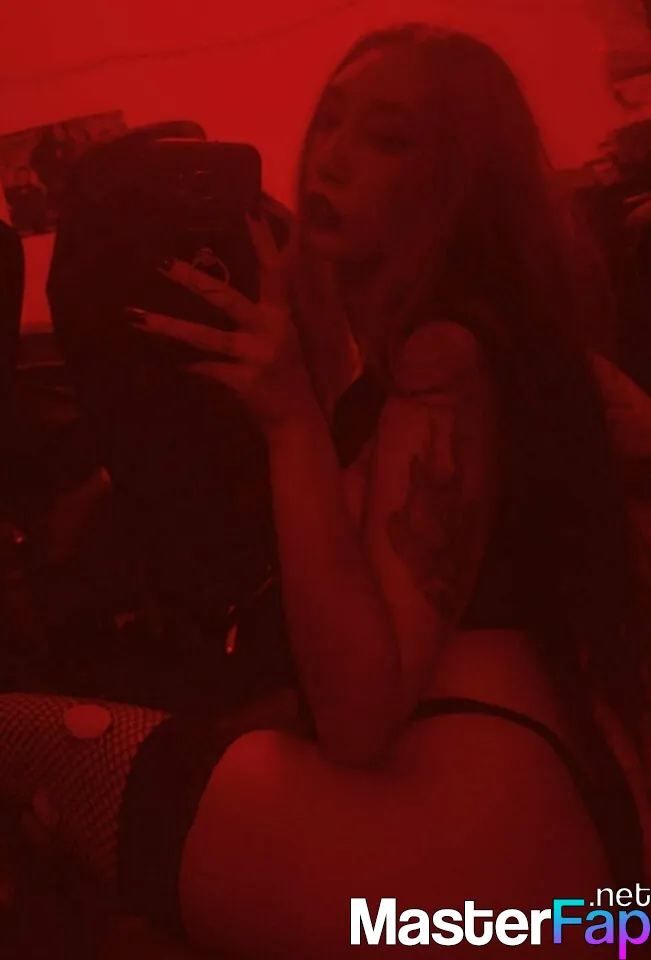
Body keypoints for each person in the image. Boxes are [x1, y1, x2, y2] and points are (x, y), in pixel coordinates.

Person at [0, 24, 649, 958]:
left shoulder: (442, 357)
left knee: (23, 743)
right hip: (574, 883)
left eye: (387, 139)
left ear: (457, 182)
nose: (333, 157)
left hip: (467, 884)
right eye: (331, 120)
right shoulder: (480, 339)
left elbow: (355, 720)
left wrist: (290, 423)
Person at [4, 168, 48, 236]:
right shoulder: (9, 192)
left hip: (35, 224)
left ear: (28, 177)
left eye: (24, 175)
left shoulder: (36, 190)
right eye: (20, 176)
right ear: (16, 177)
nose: (22, 178)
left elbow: (40, 206)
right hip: (19, 223)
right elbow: (10, 206)